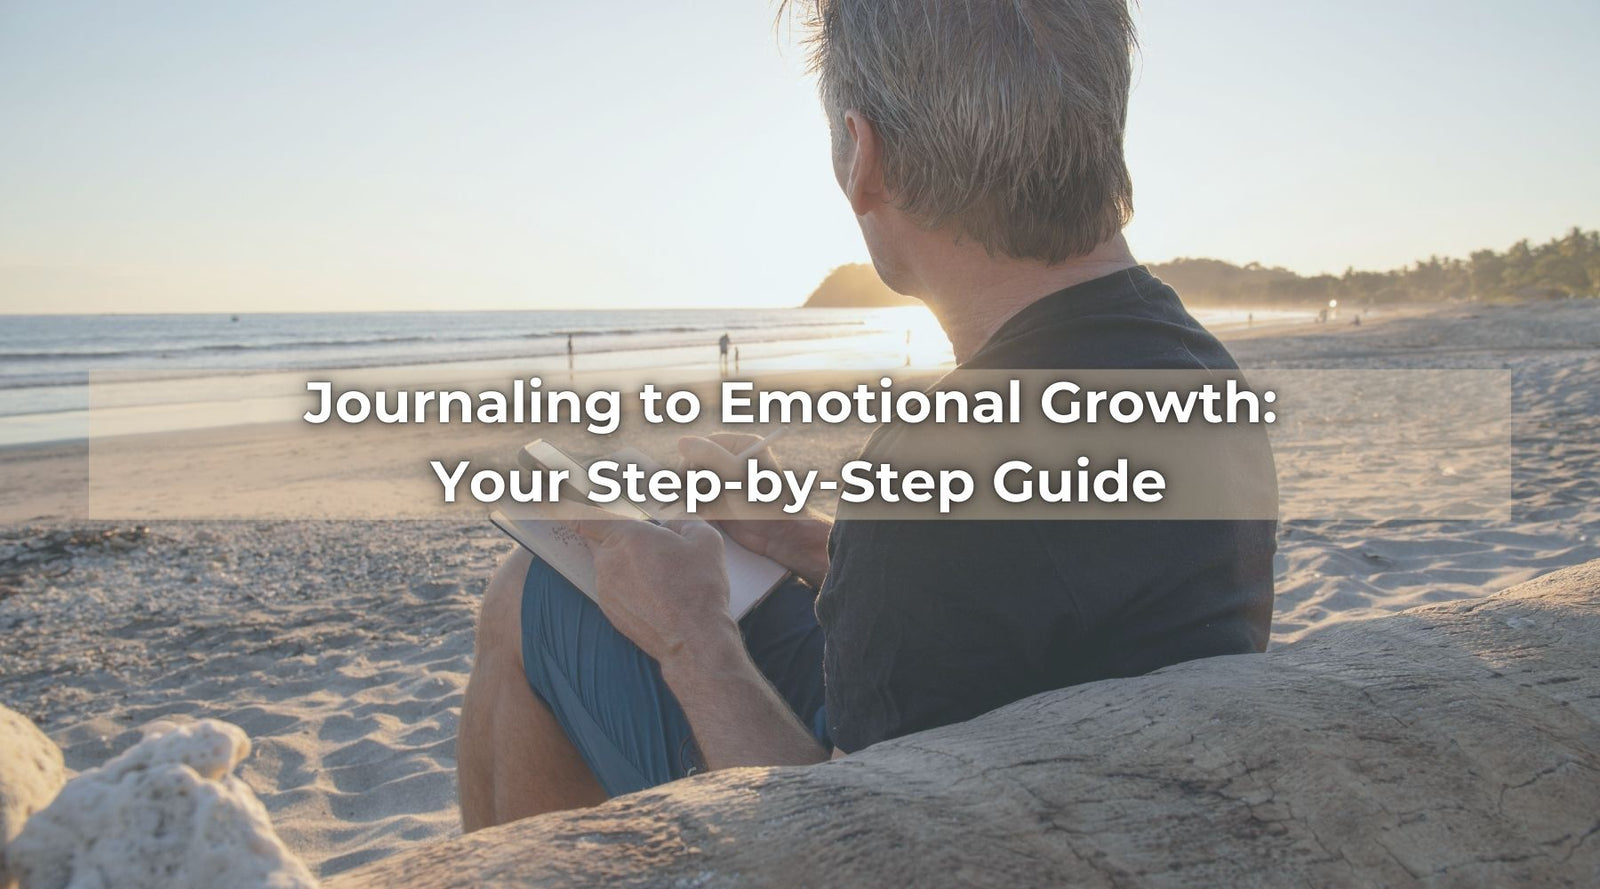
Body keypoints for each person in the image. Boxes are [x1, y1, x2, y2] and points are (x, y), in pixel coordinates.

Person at [458, 0, 1275, 827]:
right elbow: (1044, 597)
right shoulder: (1194, 365)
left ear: (865, 156)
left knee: (534, 593)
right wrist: (798, 537)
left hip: (982, 833)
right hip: (1089, 781)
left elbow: (850, 845)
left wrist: (690, 636)